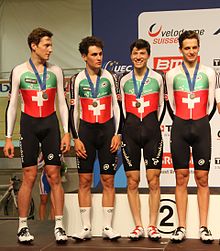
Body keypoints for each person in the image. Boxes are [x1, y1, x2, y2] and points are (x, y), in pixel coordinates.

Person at [3, 27, 70, 244]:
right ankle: (23, 227)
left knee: (54, 175)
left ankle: (59, 226)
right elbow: (12, 105)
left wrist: (66, 131)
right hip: (29, 125)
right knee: (29, 176)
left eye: (51, 45)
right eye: (46, 45)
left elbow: (62, 102)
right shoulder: (19, 71)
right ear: (34, 46)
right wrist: (8, 137)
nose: (50, 49)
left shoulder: (56, 71)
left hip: (50, 124)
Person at [166, 30, 216, 243]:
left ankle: (204, 226)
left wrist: (200, 121)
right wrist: (181, 121)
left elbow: (212, 104)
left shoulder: (210, 73)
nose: (191, 51)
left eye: (194, 47)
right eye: (187, 48)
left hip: (202, 126)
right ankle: (181, 227)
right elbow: (170, 105)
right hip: (180, 128)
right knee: (181, 177)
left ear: (199, 48)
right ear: (180, 50)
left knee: (203, 179)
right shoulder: (171, 75)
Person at [69, 36, 121, 240]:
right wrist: (76, 138)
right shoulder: (76, 80)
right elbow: (74, 111)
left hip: (107, 131)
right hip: (86, 133)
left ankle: (108, 227)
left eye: (100, 54)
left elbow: (118, 107)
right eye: (94, 54)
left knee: (108, 179)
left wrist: (117, 133)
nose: (99, 58)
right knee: (85, 180)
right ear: (84, 57)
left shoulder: (110, 77)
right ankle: (85, 228)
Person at [119, 39, 164, 240]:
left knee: (153, 180)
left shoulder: (158, 78)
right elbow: (120, 111)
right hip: (130, 132)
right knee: (132, 180)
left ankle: (152, 225)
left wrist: (153, 125)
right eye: (135, 54)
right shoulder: (123, 80)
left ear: (148, 55)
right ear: (131, 56)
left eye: (142, 53)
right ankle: (138, 225)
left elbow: (162, 107)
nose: (138, 57)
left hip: (152, 130)